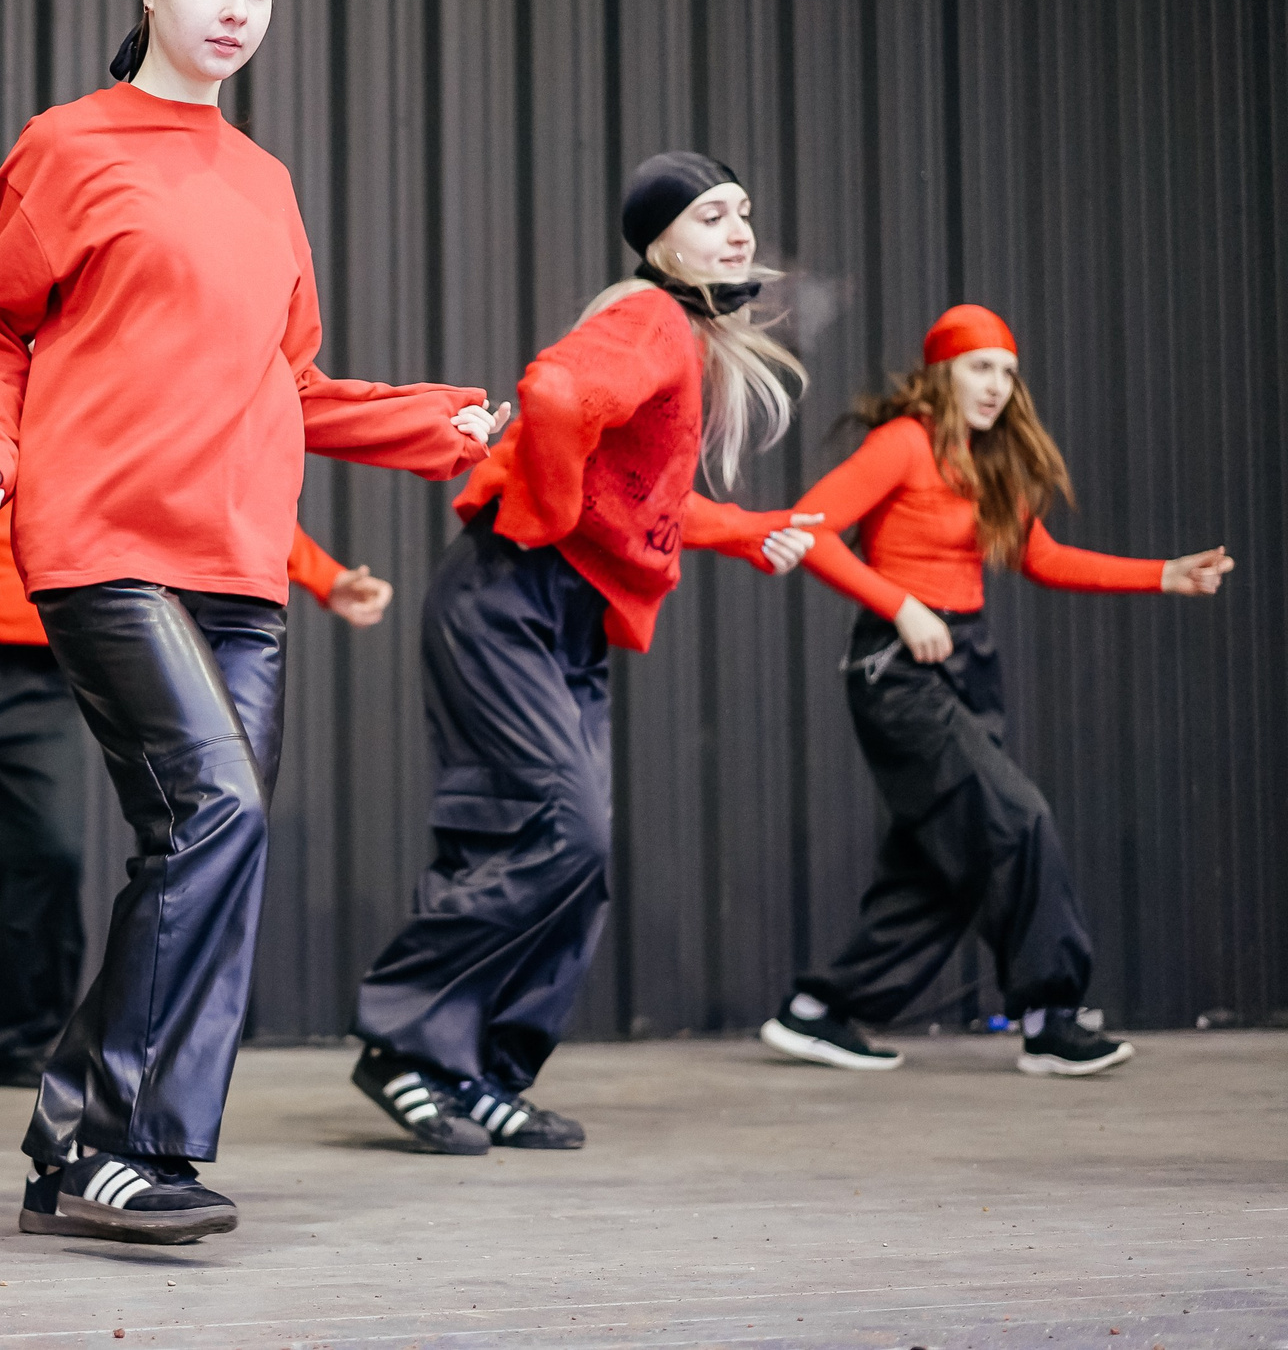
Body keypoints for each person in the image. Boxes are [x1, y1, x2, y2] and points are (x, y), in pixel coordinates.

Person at [0, 0, 501, 1245]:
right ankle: (135, 1143)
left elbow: (285, 385)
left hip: (239, 571)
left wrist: (436, 421)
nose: (236, 10)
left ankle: (75, 1126)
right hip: (102, 545)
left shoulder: (266, 184)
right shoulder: (68, 147)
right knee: (218, 814)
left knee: (204, 847)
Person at [348, 150, 820, 1157]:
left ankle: (474, 1072)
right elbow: (555, 396)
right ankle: (400, 1040)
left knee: (538, 848)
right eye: (707, 216)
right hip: (507, 598)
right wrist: (549, 504)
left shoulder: (679, 338)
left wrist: (743, 530)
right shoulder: (648, 319)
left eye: (741, 212)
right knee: (568, 837)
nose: (735, 230)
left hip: (553, 614)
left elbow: (641, 501)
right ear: (658, 242)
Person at [0, 380, 394, 1094]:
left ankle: (5, 1040)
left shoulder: (112, 392)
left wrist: (327, 579)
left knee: (44, 856)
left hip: (45, 661)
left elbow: (204, 495)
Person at [758, 304, 1232, 1078]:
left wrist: (1164, 575)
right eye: (981, 367)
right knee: (1017, 819)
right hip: (901, 670)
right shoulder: (903, 443)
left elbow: (1041, 556)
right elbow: (805, 528)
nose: (998, 386)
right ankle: (1050, 1016)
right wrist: (902, 605)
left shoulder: (988, 459)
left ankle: (819, 1011)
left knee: (942, 865)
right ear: (942, 370)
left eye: (1008, 373)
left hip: (968, 662)